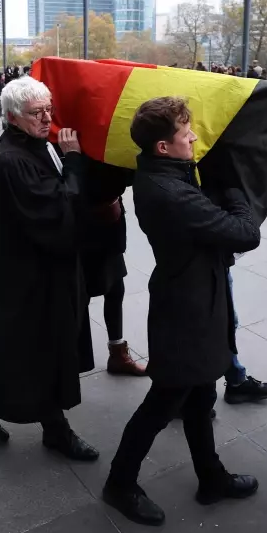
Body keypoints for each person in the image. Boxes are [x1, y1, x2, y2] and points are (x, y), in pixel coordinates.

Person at [101, 97, 262, 527]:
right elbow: (246, 234)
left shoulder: (165, 175)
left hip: (195, 297)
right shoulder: (172, 192)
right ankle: (119, 483)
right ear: (163, 148)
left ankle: (210, 476)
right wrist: (232, 187)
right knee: (165, 399)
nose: (193, 136)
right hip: (186, 309)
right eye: (184, 132)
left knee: (201, 393)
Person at [0, 77, 97, 462]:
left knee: (40, 350)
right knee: (39, 351)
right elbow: (57, 210)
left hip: (44, 266)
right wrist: (73, 161)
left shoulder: (36, 145)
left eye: (48, 110)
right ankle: (56, 430)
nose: (46, 119)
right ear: (12, 118)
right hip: (28, 274)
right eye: (37, 113)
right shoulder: (11, 159)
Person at [79, 161, 145, 376]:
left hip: (109, 221)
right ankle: (69, 358)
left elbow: (127, 178)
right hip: (81, 227)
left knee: (116, 288)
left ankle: (117, 352)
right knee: (79, 295)